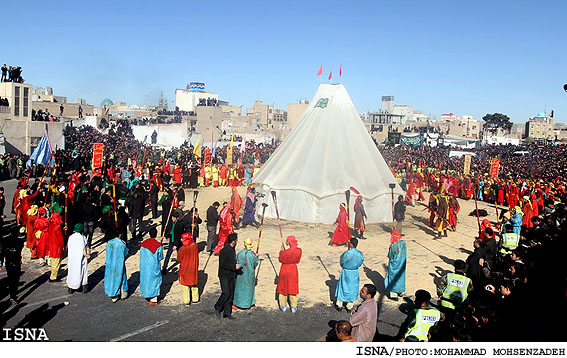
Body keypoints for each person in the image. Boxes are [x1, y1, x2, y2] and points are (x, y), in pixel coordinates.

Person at [214, 233, 241, 319]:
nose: (237, 241)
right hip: (224, 275)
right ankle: (218, 306)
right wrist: (234, 266)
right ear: (233, 241)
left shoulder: (232, 249)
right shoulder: (224, 251)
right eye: (236, 240)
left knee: (231, 294)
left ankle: (227, 313)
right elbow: (223, 264)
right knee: (226, 293)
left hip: (231, 275)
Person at [335, 237, 364, 311]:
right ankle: (349, 305)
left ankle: (339, 304)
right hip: (354, 272)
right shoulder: (360, 254)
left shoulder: (347, 253)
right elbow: (360, 262)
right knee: (352, 288)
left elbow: (342, 261)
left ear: (351, 244)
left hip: (346, 271)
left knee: (343, 287)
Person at [277, 235, 302, 312]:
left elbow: (281, 259)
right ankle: (293, 306)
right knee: (293, 287)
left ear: (289, 242)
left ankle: (283, 306)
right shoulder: (299, 251)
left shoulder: (285, 253)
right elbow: (297, 260)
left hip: (284, 269)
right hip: (293, 269)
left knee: (282, 287)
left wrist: (282, 251)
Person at [0, 226, 25, 304]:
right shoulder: (20, 241)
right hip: (16, 261)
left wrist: (0, 263)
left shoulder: (4, 241)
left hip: (8, 262)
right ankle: (13, 295)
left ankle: (12, 294)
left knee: (10, 278)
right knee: (16, 279)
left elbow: (2, 253)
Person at [139, 227, 163, 305]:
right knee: (154, 281)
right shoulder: (158, 245)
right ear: (156, 234)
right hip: (153, 266)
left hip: (144, 266)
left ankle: (146, 294)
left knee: (145, 280)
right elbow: (160, 257)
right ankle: (154, 299)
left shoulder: (143, 244)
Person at [233, 237, 259, 309]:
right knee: (248, 288)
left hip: (240, 273)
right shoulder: (252, 255)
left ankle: (237, 303)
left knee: (239, 288)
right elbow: (255, 264)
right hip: (249, 274)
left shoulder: (240, 253)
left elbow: (237, 261)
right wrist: (257, 257)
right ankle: (247, 304)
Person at [104, 233, 129, 303]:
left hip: (110, 264)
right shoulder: (122, 243)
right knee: (121, 278)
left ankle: (113, 293)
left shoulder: (109, 242)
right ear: (120, 235)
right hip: (119, 263)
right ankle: (122, 294)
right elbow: (126, 252)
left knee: (111, 277)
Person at [177, 232, 200, 305]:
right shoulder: (195, 246)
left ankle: (187, 300)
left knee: (185, 285)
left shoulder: (182, 249)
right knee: (194, 284)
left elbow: (179, 259)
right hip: (193, 268)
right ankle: (195, 299)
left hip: (185, 268)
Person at [66, 223, 89, 294]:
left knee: (71, 271)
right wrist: (87, 254)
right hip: (80, 258)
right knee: (82, 271)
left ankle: (70, 287)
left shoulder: (71, 237)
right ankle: (83, 288)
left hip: (72, 258)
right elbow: (85, 248)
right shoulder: (82, 237)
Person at [384, 230, 406, 299]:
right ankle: (400, 291)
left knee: (392, 277)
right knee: (401, 277)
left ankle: (394, 294)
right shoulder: (403, 243)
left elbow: (390, 256)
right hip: (402, 264)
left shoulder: (393, 246)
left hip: (394, 265)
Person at [48, 212, 65, 282]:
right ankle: (53, 277)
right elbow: (60, 239)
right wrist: (63, 246)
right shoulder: (57, 227)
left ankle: (53, 275)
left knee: (53, 261)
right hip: (57, 246)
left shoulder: (51, 225)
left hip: (51, 245)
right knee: (56, 262)